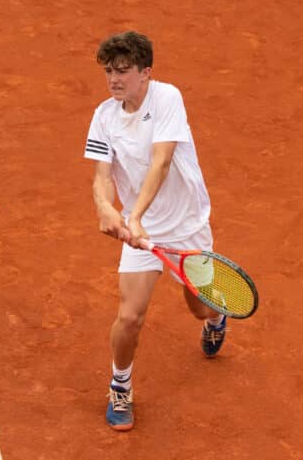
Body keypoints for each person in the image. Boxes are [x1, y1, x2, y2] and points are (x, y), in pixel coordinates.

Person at [83, 31, 226, 432]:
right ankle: (120, 386)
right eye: (109, 71)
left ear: (145, 73)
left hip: (186, 226)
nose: (114, 79)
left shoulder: (167, 98)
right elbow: (102, 175)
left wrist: (135, 216)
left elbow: (161, 163)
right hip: (141, 233)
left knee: (199, 305)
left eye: (123, 71)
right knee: (130, 316)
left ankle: (214, 320)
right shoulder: (104, 115)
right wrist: (104, 206)